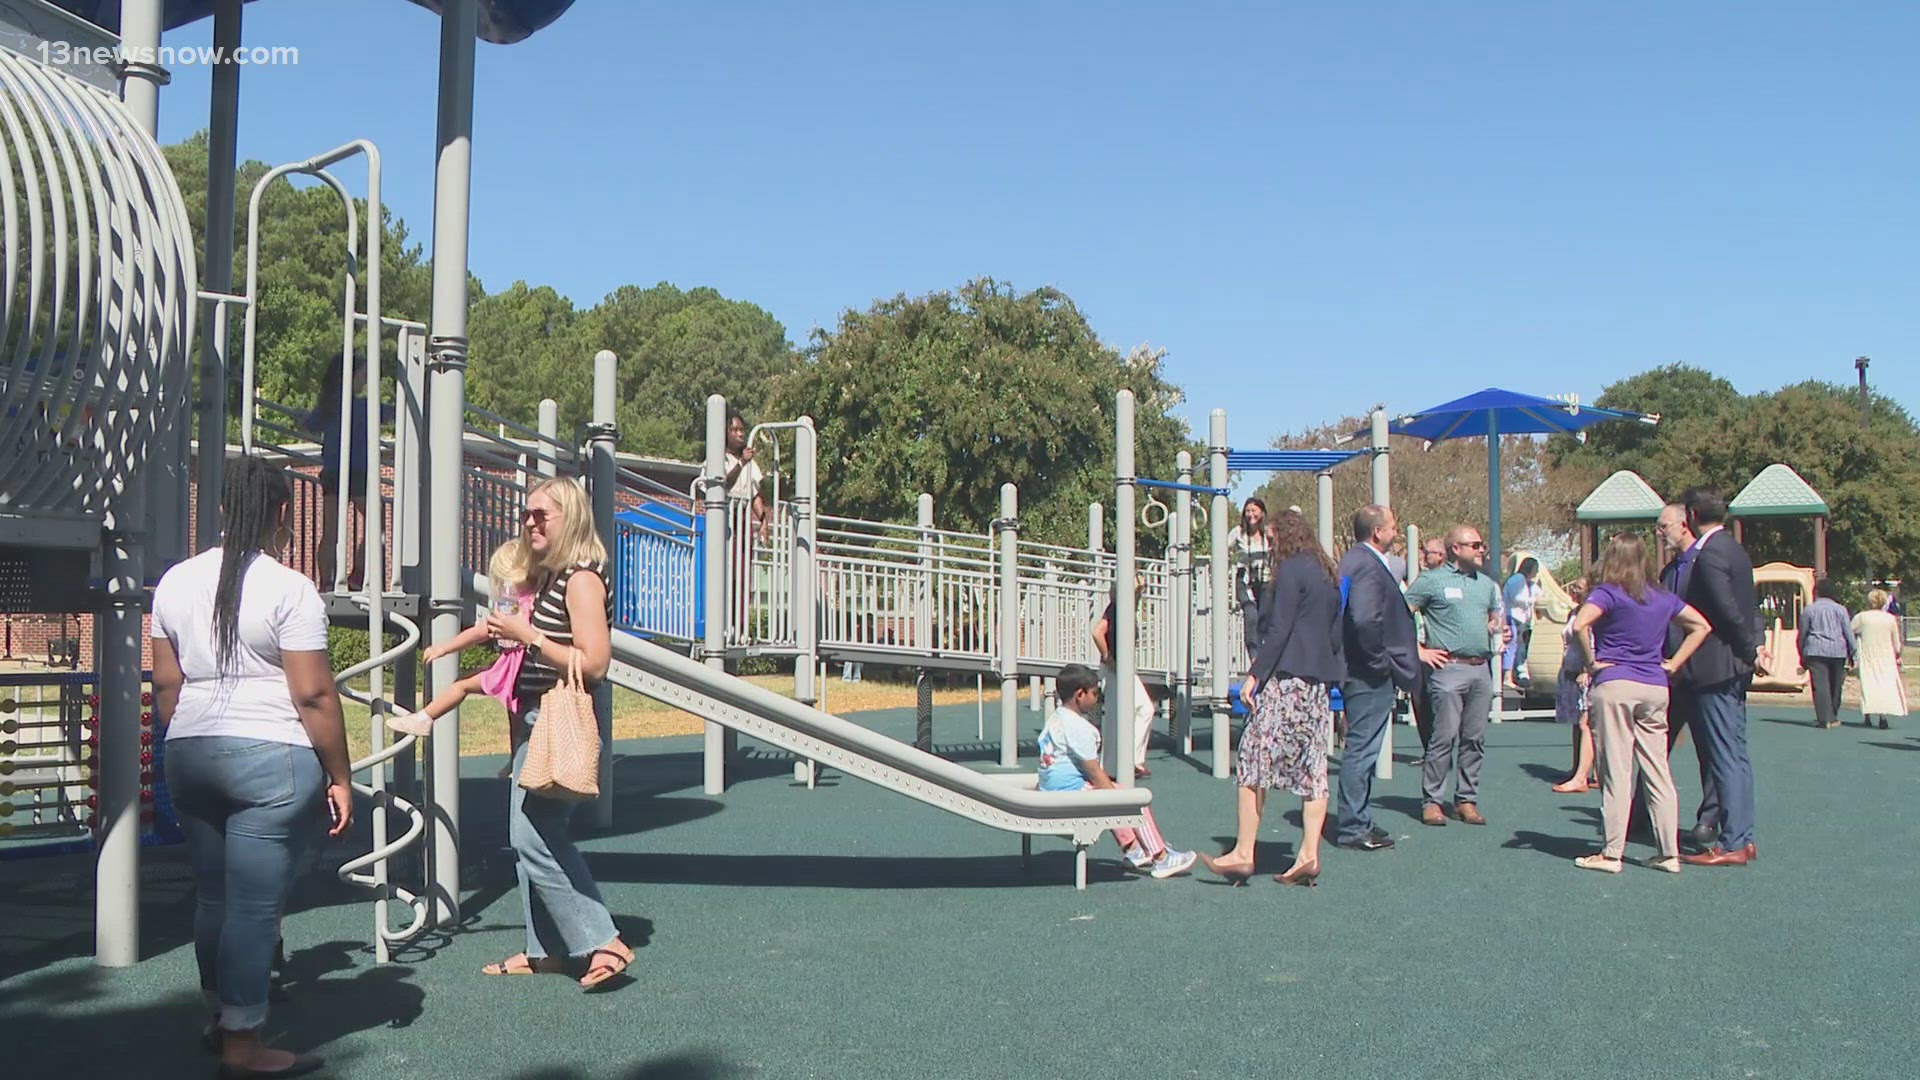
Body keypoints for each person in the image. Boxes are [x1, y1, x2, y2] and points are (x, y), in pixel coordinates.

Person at [151, 456, 353, 1078]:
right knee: (253, 908)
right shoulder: (289, 588)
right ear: (282, 512)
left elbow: (165, 683)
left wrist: (185, 741)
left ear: (218, 510)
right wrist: (341, 775)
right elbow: (314, 695)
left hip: (191, 750)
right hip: (271, 756)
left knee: (213, 896)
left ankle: (219, 1016)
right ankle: (243, 1043)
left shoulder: (174, 582)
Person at [480, 476, 636, 987]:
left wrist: (530, 636)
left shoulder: (582, 580)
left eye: (540, 514)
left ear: (569, 518)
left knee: (535, 836)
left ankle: (602, 939)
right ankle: (545, 948)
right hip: (532, 717)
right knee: (527, 838)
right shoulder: (549, 578)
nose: (529, 522)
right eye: (526, 514)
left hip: (556, 718)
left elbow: (594, 663)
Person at [1201, 510, 1345, 885]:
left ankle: (1243, 851)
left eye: (1270, 536)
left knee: (1252, 758)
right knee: (1314, 767)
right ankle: (1309, 854)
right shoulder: (1328, 574)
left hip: (1286, 679)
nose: (1268, 543)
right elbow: (1334, 634)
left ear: (1282, 535)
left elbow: (1279, 629)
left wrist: (1255, 675)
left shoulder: (1290, 571)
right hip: (1316, 685)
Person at [1565, 534, 1712, 874]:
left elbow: (1580, 624)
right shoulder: (1662, 597)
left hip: (1617, 683)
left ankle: (1612, 853)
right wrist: (1674, 663)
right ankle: (1668, 853)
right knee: (1658, 770)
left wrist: (1591, 662)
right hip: (1655, 687)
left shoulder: (1608, 593)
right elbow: (1701, 625)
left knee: (1616, 770)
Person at [1673, 488, 1765, 868]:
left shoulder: (1710, 555)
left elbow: (1726, 612)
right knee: (1737, 756)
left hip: (1715, 668)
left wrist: (1748, 650)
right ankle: (1742, 835)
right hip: (1731, 667)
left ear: (1692, 515)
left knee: (1724, 757)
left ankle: (1734, 841)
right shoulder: (1734, 548)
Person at [1331, 506, 1428, 853]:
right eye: (1392, 527)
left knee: (1363, 747)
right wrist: (1380, 663)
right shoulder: (1368, 566)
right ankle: (1354, 826)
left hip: (1359, 668)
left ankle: (1360, 819)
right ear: (1377, 533)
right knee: (1362, 748)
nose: (1396, 532)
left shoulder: (1354, 561)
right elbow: (1364, 619)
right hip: (1367, 673)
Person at [385, 541, 536, 763]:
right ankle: (516, 759)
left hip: (514, 667)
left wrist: (444, 648)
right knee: (514, 714)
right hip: (519, 664)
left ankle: (425, 717)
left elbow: (480, 631)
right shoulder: (532, 599)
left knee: (462, 684)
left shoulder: (513, 604)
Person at [1039, 664, 1195, 878]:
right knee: (1134, 802)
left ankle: (1133, 849)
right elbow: (1094, 771)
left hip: (1053, 789)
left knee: (1115, 792)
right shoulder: (1079, 728)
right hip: (1069, 792)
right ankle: (1161, 857)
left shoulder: (1056, 718)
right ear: (1079, 694)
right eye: (1094, 693)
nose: (1097, 699)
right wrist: (1120, 802)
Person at [1404, 525, 1504, 827]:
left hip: (1480, 669)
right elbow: (1400, 613)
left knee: (1474, 738)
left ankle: (1466, 800)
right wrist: (1418, 650)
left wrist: (1497, 628)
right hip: (1448, 668)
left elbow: (1493, 618)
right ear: (1455, 549)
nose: (1480, 550)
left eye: (1481, 545)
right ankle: (1433, 801)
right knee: (1443, 737)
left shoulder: (1486, 585)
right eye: (1474, 545)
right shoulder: (1431, 581)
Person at [1656, 503, 1720, 849]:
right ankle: (1642, 814)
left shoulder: (1705, 564)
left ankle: (1709, 819)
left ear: (1684, 525)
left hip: (1701, 672)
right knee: (1653, 746)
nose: (1660, 533)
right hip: (1668, 672)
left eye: (1663, 526)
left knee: (1708, 750)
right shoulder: (1668, 572)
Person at [1090, 575, 1155, 778]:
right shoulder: (1116, 608)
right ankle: (1120, 764)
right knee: (1130, 712)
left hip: (1124, 669)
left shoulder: (1126, 610)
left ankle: (1128, 761)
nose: (1139, 595)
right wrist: (1108, 657)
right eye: (1137, 591)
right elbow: (1097, 632)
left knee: (1141, 709)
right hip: (1116, 669)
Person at [1550, 576, 1598, 793]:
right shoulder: (1573, 613)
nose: (1574, 593)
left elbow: (1594, 643)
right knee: (1575, 722)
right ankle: (1578, 767)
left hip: (1585, 672)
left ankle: (1590, 774)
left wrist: (1588, 670)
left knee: (1586, 722)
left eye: (1579, 589)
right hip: (1570, 670)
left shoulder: (1594, 614)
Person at [1798, 578, 1856, 730]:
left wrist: (1801, 653)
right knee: (1836, 685)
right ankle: (1833, 715)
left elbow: (1802, 633)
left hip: (1815, 650)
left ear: (1817, 592)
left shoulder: (1809, 610)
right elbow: (1848, 633)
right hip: (1838, 651)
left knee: (1820, 684)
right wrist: (1853, 653)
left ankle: (1824, 719)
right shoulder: (1841, 610)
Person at [1408, 536, 1448, 760]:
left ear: (1441, 556)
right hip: (1422, 650)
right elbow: (1404, 610)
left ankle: (1441, 751)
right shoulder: (1423, 582)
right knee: (1420, 700)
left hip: (1441, 650)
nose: (1423, 556)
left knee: (1440, 703)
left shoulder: (1448, 581)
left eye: (1428, 552)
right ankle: (1430, 751)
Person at [1852, 589, 1907, 729]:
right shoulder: (1889, 618)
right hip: (1886, 657)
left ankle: (1867, 716)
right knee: (1883, 685)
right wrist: (1898, 655)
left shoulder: (1862, 617)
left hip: (1867, 655)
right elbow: (1896, 642)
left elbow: (1850, 631)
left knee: (1868, 684)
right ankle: (1883, 716)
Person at [1228, 497, 1270, 651]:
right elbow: (1222, 547)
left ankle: (1264, 657)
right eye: (1247, 511)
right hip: (1245, 580)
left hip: (1265, 579)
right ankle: (1254, 656)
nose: (1250, 514)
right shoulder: (1238, 533)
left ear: (1262, 512)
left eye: (1254, 511)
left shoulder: (1268, 533)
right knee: (1251, 615)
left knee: (1264, 618)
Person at [723, 412, 771, 541]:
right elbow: (724, 483)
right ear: (725, 434)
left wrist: (764, 522)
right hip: (723, 517)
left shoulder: (751, 464)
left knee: (742, 559)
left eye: (742, 430)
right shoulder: (720, 459)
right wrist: (741, 463)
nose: (740, 434)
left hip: (742, 519)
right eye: (735, 430)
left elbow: (755, 494)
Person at [1503, 557, 1543, 688]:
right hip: (1513, 617)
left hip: (1522, 620)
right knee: (1511, 646)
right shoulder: (1518, 579)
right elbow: (1517, 598)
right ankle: (1507, 677)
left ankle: (1516, 674)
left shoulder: (1529, 583)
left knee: (1519, 647)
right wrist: (1532, 600)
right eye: (1535, 569)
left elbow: (1541, 594)